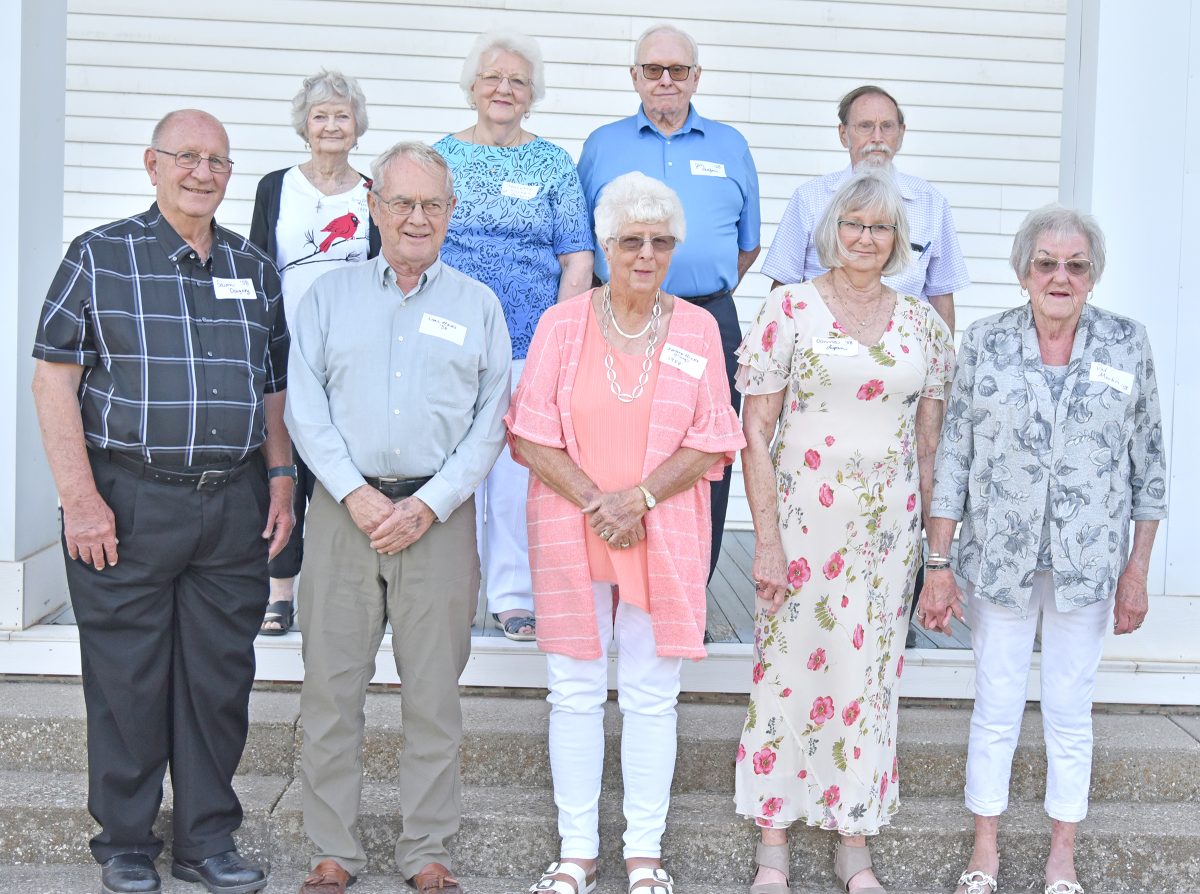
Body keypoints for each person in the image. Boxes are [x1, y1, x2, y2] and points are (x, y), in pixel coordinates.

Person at [31, 109, 291, 894]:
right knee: (128, 681)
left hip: (233, 502)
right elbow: (54, 379)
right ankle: (126, 842)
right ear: (153, 164)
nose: (203, 172)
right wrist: (80, 499)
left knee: (218, 681)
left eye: (217, 160)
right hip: (127, 500)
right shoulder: (100, 256)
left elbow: (272, 387)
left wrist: (281, 481)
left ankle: (209, 839)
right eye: (187, 157)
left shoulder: (253, 266)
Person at [507, 171, 744, 894]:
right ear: (606, 245)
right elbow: (527, 431)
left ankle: (645, 854)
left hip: (661, 525)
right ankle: (576, 851)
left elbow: (713, 437)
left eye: (661, 241)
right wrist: (596, 502)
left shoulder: (698, 327)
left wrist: (635, 499)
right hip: (570, 522)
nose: (647, 253)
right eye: (632, 240)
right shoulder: (564, 321)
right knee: (573, 688)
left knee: (650, 692)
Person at [920, 205, 1166, 894]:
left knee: (1068, 707)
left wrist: (1137, 570)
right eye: (1047, 263)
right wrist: (938, 565)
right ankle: (986, 849)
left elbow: (1150, 468)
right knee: (995, 703)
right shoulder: (986, 343)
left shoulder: (1126, 343)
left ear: (1093, 276)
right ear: (1025, 270)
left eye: (1075, 265)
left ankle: (1063, 855)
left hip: (1089, 566)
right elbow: (953, 463)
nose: (1061, 276)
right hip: (998, 558)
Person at [285, 141, 511, 894]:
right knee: (331, 691)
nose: (417, 217)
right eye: (402, 202)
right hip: (344, 513)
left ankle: (427, 851)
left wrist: (429, 503)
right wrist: (354, 492)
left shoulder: (479, 305)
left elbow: (491, 421)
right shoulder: (326, 298)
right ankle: (332, 852)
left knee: (435, 697)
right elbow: (304, 406)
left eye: (433, 204)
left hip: (436, 519)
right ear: (373, 207)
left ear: (451, 213)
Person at [735, 169, 954, 894]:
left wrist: (935, 556)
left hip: (884, 535)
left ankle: (852, 834)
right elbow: (755, 430)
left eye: (881, 228)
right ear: (832, 231)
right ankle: (773, 835)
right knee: (789, 666)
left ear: (898, 241)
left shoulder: (924, 323)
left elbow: (930, 447)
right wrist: (765, 540)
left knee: (868, 678)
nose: (866, 238)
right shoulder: (788, 309)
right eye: (855, 225)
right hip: (801, 523)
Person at [577, 23, 760, 581]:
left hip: (708, 317)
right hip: (618, 317)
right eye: (652, 70)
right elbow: (582, 238)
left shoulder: (730, 145)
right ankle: (616, 577)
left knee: (706, 452)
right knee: (618, 444)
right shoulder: (603, 144)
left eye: (677, 70)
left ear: (695, 77)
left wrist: (695, 289)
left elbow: (747, 245)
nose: (665, 81)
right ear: (634, 76)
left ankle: (692, 585)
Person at [433, 31, 593, 641]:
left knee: (514, 475)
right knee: (446, 464)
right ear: (473, 87)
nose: (504, 89)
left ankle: (512, 595)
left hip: (529, 341)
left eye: (517, 81)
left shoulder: (552, 162)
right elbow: (416, 245)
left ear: (532, 95)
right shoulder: (439, 158)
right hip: (447, 338)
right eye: (493, 77)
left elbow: (577, 258)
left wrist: (559, 342)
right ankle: (449, 590)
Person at [250, 69, 380, 636]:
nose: (331, 125)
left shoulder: (372, 193)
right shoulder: (276, 187)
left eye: (341, 116)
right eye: (320, 115)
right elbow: (257, 268)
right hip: (283, 352)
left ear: (357, 128)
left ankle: (344, 593)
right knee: (282, 472)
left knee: (342, 473)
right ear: (305, 125)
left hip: (349, 357)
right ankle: (280, 591)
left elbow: (382, 274)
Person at [762, 84, 969, 331]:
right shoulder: (810, 198)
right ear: (843, 134)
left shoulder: (931, 203)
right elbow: (783, 286)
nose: (877, 137)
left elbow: (942, 294)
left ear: (901, 134)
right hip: (821, 344)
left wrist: (945, 363)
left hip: (906, 351)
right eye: (865, 126)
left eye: (887, 126)